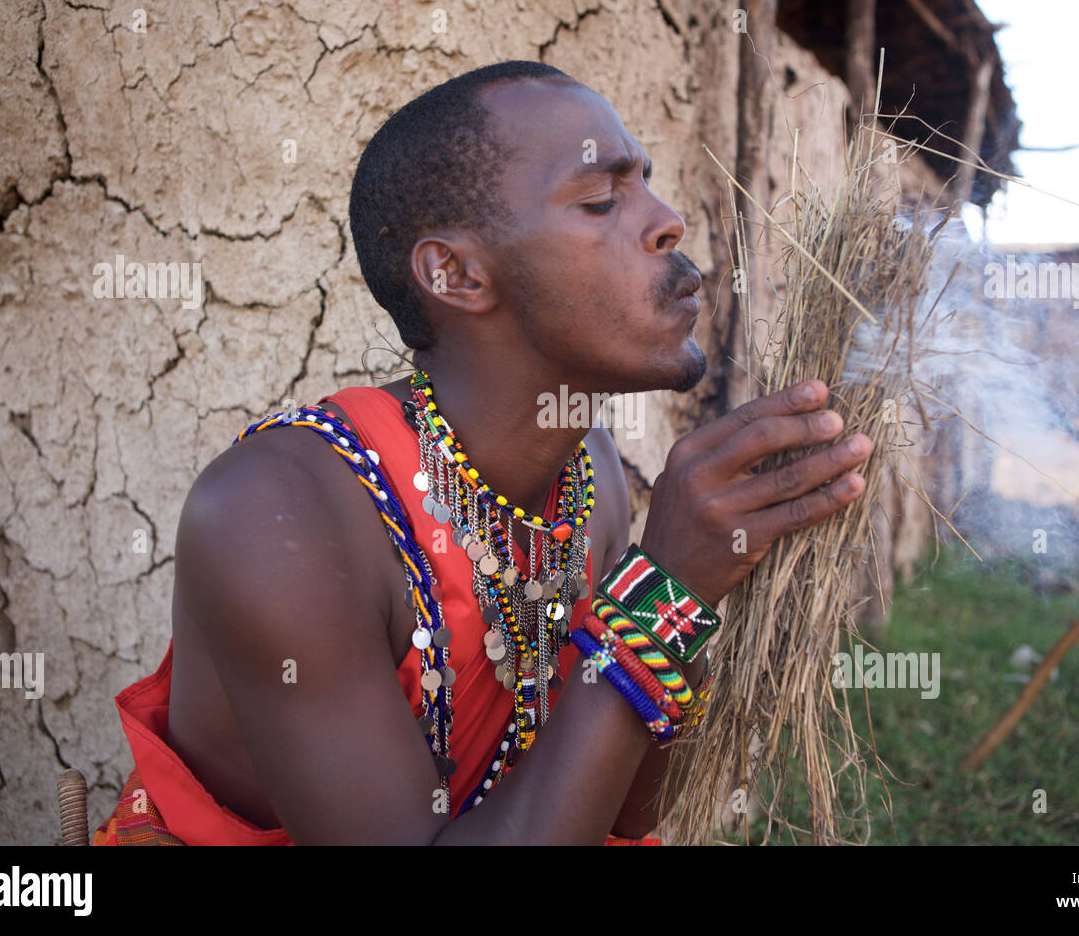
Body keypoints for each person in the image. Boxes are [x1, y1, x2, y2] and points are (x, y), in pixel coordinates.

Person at [92, 60, 873, 846]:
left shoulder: (586, 475)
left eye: (646, 185)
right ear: (456, 274)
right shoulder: (274, 516)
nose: (667, 221)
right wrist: (656, 600)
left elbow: (628, 812)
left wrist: (697, 592)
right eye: (602, 199)